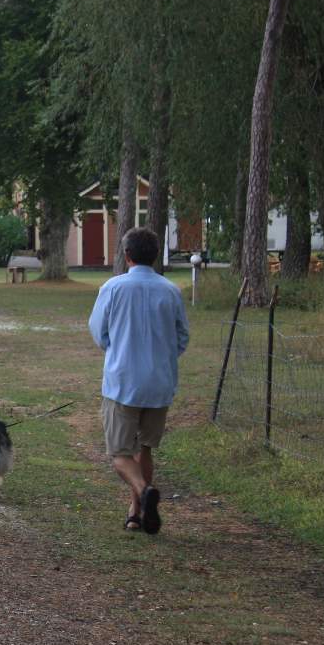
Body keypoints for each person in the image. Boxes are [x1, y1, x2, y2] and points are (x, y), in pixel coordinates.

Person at [88, 226, 190, 535]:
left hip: (123, 382)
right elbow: (182, 337)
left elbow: (99, 331)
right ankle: (136, 512)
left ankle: (144, 492)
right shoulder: (171, 290)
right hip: (160, 383)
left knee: (120, 455)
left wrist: (117, 349)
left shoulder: (114, 288)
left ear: (126, 254)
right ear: (156, 255)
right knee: (144, 449)